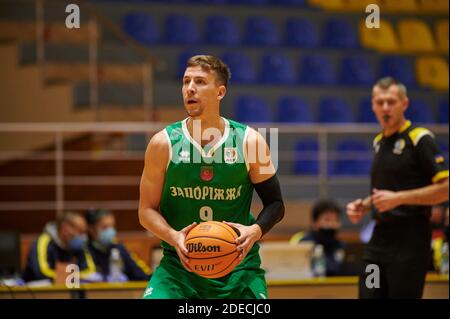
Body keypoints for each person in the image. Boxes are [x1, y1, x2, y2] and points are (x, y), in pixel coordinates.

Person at [138, 55, 285, 299]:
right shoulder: (163, 143)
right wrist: (174, 237)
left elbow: (276, 205)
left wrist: (256, 231)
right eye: (186, 82)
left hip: (238, 268)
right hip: (179, 269)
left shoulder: (249, 142)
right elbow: (146, 211)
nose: (190, 88)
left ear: (220, 92)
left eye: (200, 81)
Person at [346, 77, 449, 299]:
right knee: (369, 294)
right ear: (372, 105)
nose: (385, 107)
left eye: (391, 101)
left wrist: (399, 198)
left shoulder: (419, 139)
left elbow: (445, 188)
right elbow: (386, 192)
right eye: (380, 102)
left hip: (410, 242)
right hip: (378, 242)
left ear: (404, 104)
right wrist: (363, 206)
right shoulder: (379, 142)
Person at [22, 211, 96, 282]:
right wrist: (70, 277)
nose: (83, 236)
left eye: (84, 232)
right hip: (37, 291)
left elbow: (90, 271)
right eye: (80, 231)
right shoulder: (44, 241)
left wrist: (69, 277)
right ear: (65, 228)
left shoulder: (80, 244)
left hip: (69, 288)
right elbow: (41, 272)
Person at [85, 208, 151, 282]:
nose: (110, 231)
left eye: (112, 226)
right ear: (91, 229)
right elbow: (84, 276)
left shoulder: (119, 248)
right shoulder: (84, 249)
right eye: (105, 227)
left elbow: (140, 273)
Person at [291, 199, 345, 276]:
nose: (331, 224)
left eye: (336, 220)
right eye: (327, 220)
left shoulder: (341, 246)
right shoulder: (305, 244)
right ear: (315, 223)